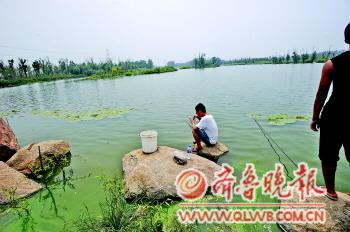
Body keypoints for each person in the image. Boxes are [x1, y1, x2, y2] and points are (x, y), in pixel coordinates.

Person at [310, 23, 350, 200]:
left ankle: (331, 192)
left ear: (346, 39)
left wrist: (314, 118)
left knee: (328, 156)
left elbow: (321, 95)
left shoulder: (331, 65)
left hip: (333, 115)